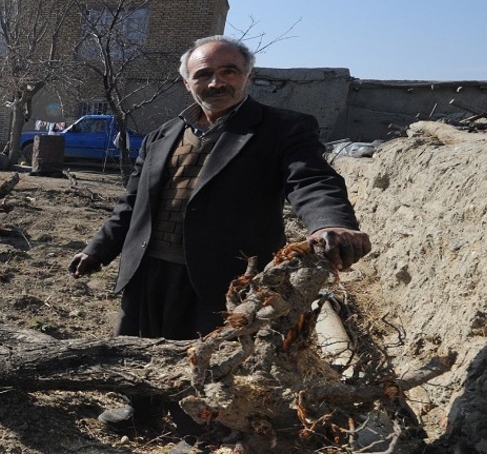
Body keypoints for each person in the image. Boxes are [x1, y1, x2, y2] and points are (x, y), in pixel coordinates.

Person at [69, 35, 370, 425]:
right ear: (187, 82)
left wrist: (331, 223)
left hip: (224, 273)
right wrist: (98, 249)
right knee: (139, 344)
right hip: (149, 266)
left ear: (248, 77)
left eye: (228, 71)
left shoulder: (281, 129)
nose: (216, 82)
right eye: (204, 74)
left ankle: (197, 430)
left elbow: (311, 180)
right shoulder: (163, 135)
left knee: (209, 354)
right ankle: (141, 412)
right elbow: (132, 204)